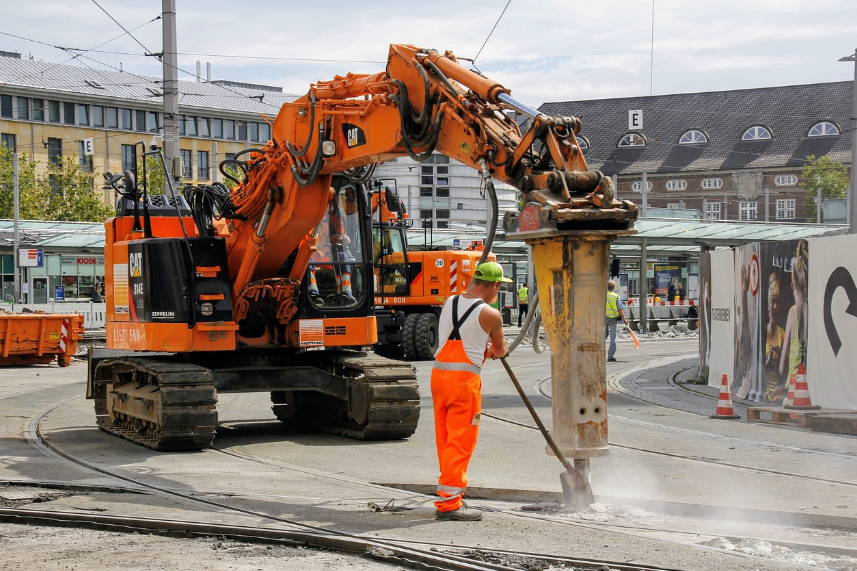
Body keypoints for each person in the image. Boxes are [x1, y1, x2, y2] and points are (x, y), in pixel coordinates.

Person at [431, 261, 510, 521]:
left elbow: (460, 335)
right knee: (461, 441)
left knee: (445, 437)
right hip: (463, 383)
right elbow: (499, 350)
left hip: (439, 377)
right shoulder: (490, 314)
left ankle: (447, 493)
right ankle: (450, 504)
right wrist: (491, 349)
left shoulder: (448, 302)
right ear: (495, 285)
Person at [779, 240, 809, 397]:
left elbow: (781, 366)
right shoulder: (811, 310)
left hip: (793, 388)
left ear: (793, 285)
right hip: (810, 388)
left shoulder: (793, 312)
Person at [605, 280, 628, 362]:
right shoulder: (616, 296)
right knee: (613, 338)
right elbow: (620, 309)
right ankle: (610, 356)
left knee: (602, 337)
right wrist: (624, 319)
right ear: (614, 287)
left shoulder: (602, 295)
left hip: (603, 319)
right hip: (613, 319)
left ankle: (599, 354)